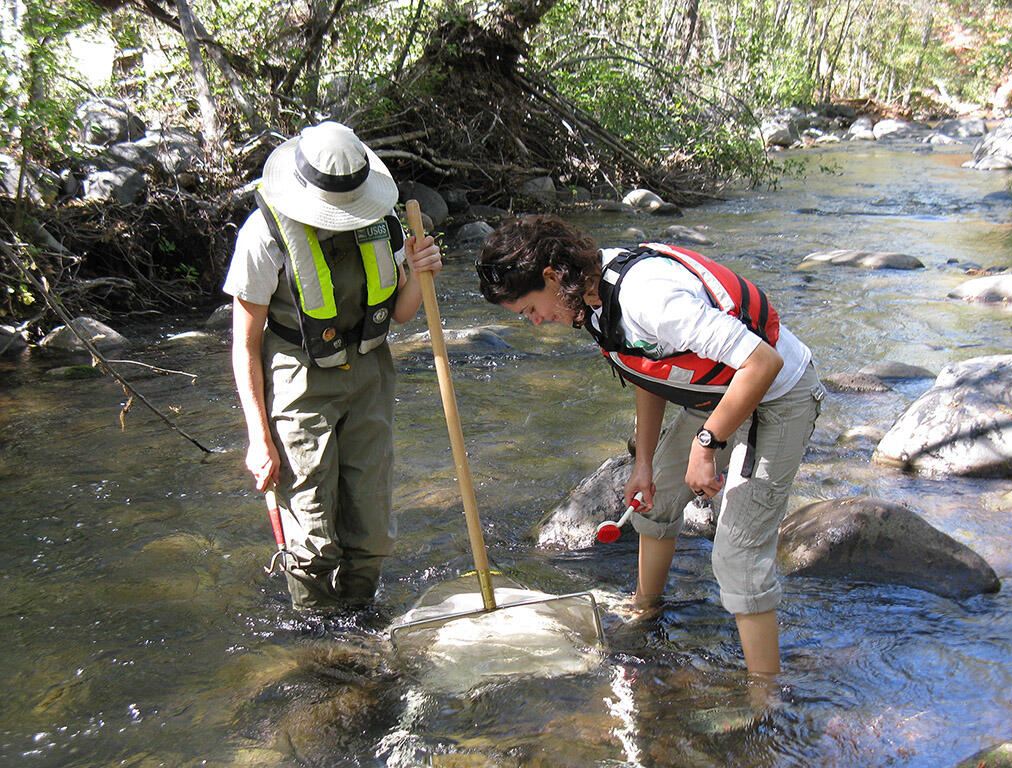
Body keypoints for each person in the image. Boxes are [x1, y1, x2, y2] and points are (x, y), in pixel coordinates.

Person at [476, 215, 823, 674]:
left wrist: (706, 445)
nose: (538, 323)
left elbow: (763, 362)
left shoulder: (648, 298)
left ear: (551, 277)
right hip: (717, 394)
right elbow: (647, 372)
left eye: (530, 311)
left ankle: (765, 692)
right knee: (652, 498)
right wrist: (644, 462)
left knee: (737, 552)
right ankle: (647, 605)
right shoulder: (591, 297)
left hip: (779, 395)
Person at [223, 120, 442, 612]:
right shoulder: (262, 235)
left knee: (370, 527)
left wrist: (419, 271)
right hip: (298, 380)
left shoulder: (381, 221)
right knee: (313, 532)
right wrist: (258, 438)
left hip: (370, 375)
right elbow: (244, 344)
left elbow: (402, 311)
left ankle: (361, 622)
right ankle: (318, 643)